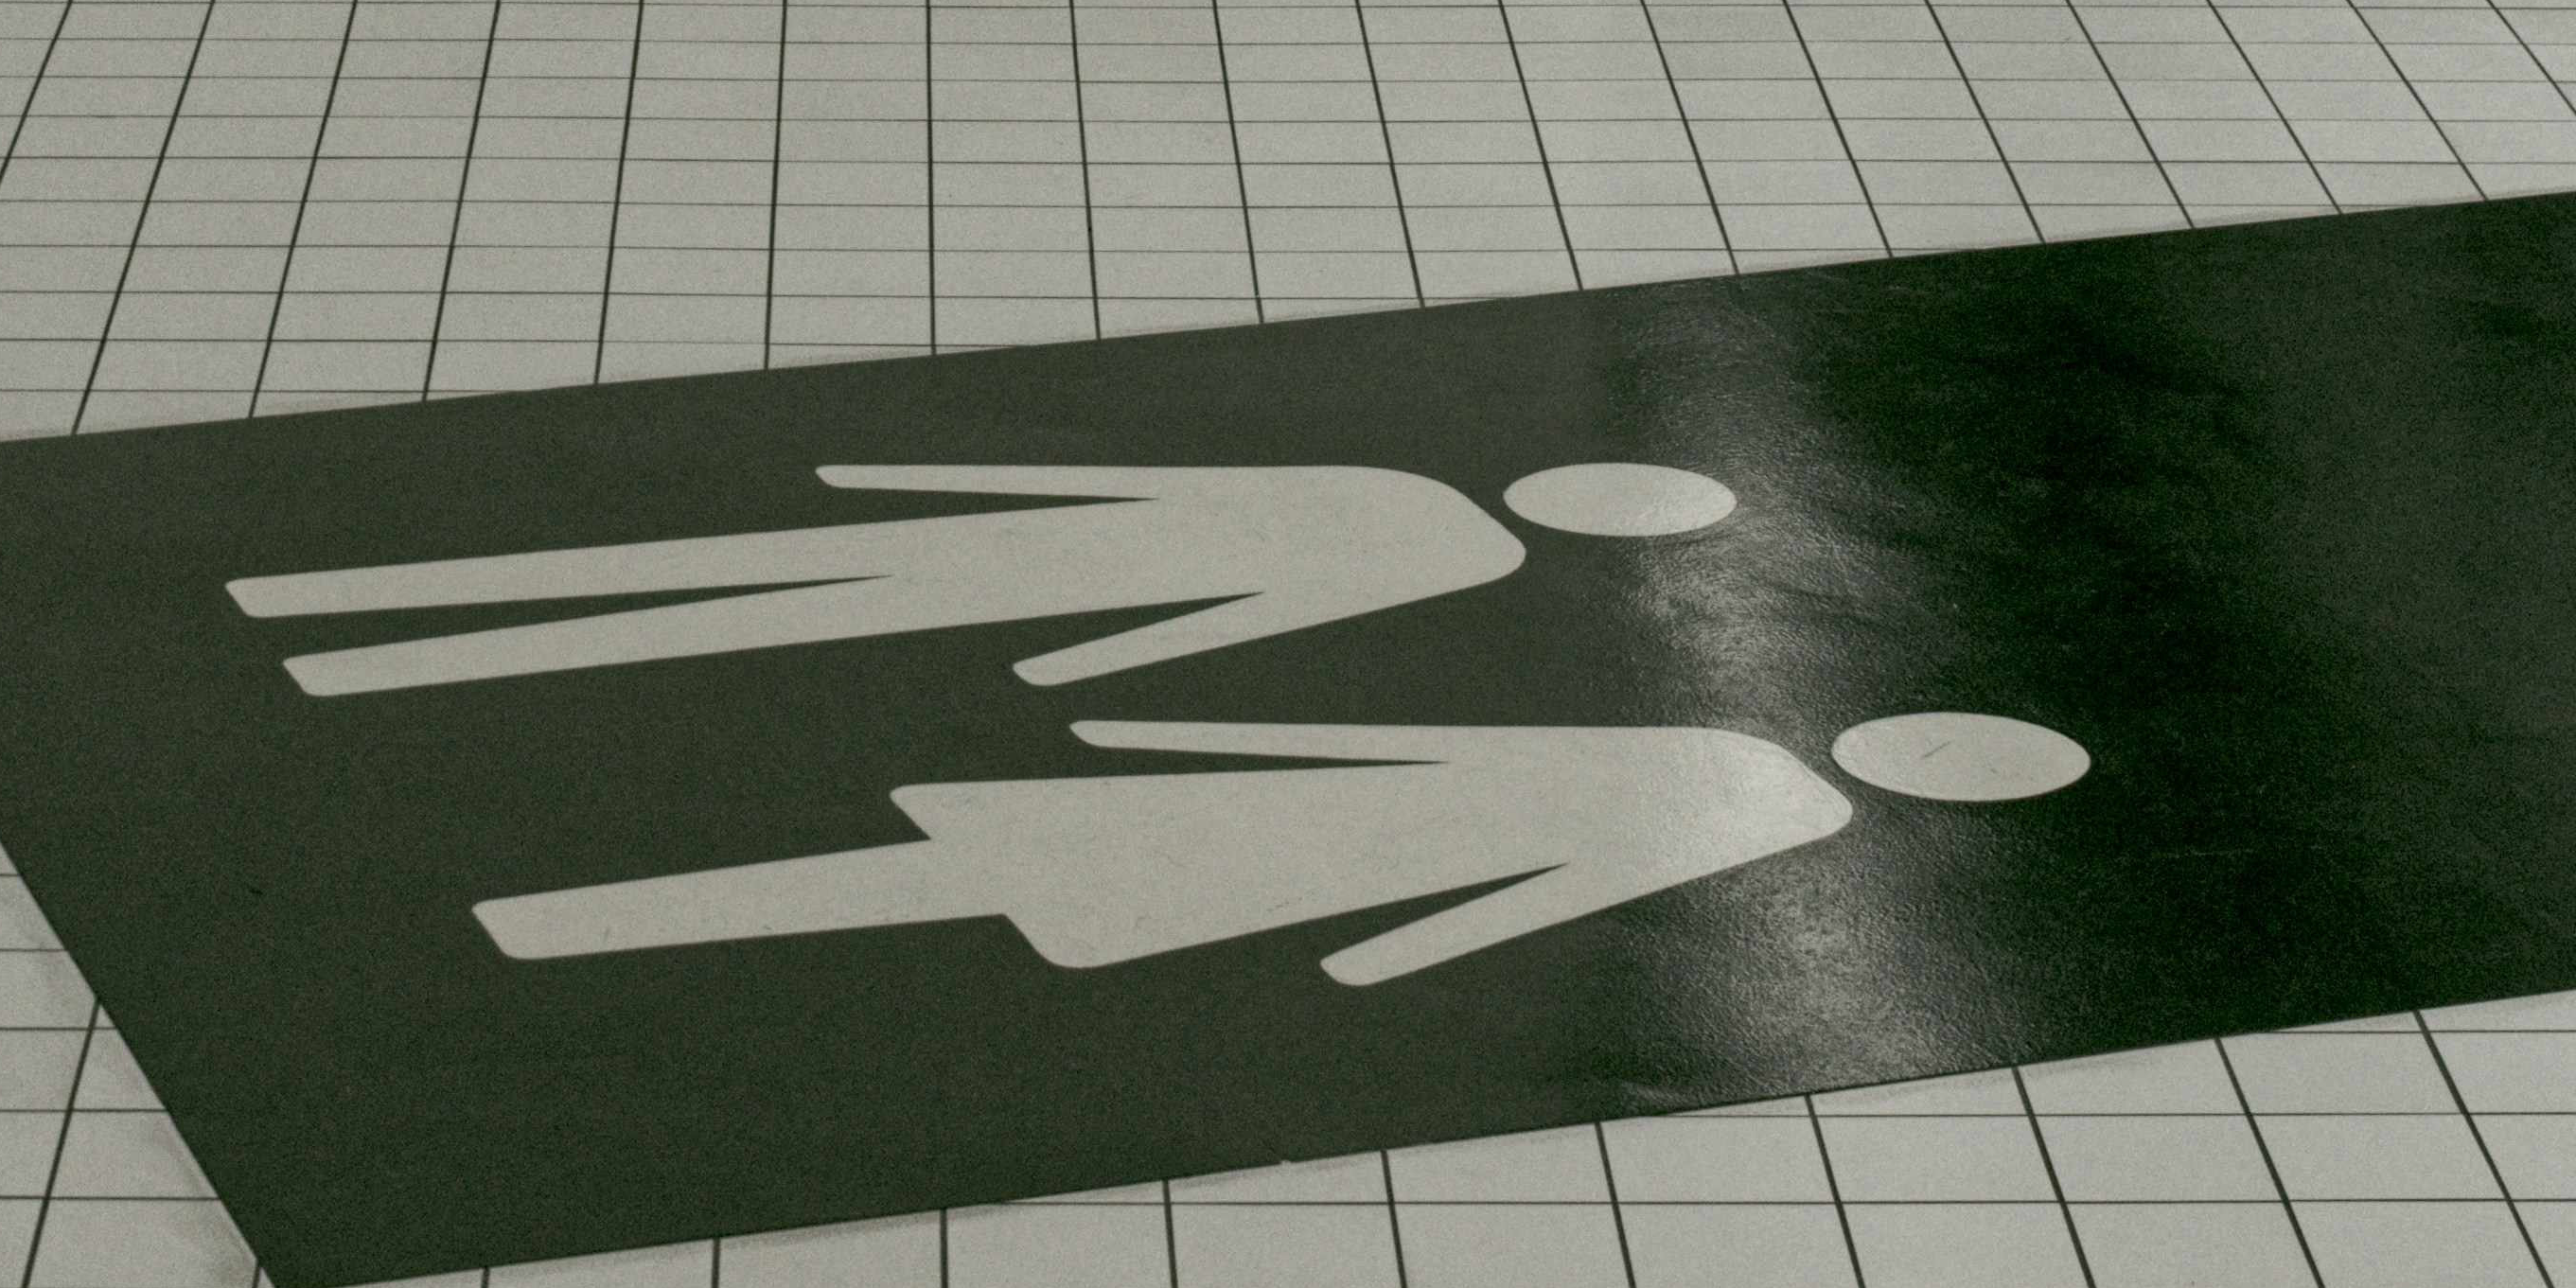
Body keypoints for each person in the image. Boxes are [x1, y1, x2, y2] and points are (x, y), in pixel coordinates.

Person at [469, 708, 2090, 989]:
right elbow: (1554, 872)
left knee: (886, 881)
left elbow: (1430, 766)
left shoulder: (1739, 765)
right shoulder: (1753, 779)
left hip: (1253, 834)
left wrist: (1151, 743)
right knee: (894, 895)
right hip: (1287, 867)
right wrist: (1377, 949)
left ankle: (557, 920)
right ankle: (565, 926)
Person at [227, 454, 1744, 696]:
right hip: (1011, 588)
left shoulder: (1405, 498)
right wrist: (1072, 666)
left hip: (975, 554)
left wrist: (888, 480)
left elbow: (1125, 489)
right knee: (674, 614)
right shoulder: (1436, 539)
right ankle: (376, 661)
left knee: (670, 570)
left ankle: (321, 613)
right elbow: (1247, 604)